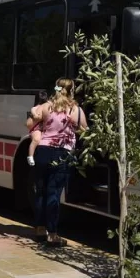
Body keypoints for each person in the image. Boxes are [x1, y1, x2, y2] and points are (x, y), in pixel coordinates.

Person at [27, 78, 87, 246]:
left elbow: (30, 124)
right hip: (62, 153)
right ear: (71, 90)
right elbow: (85, 130)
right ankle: (52, 234)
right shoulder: (76, 110)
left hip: (42, 151)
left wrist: (35, 114)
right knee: (53, 193)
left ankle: (39, 229)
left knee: (40, 191)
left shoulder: (46, 107)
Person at [26, 90, 49, 167]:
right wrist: (35, 115)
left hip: (45, 128)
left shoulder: (48, 106)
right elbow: (33, 111)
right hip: (36, 128)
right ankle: (30, 156)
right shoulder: (35, 107)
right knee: (36, 139)